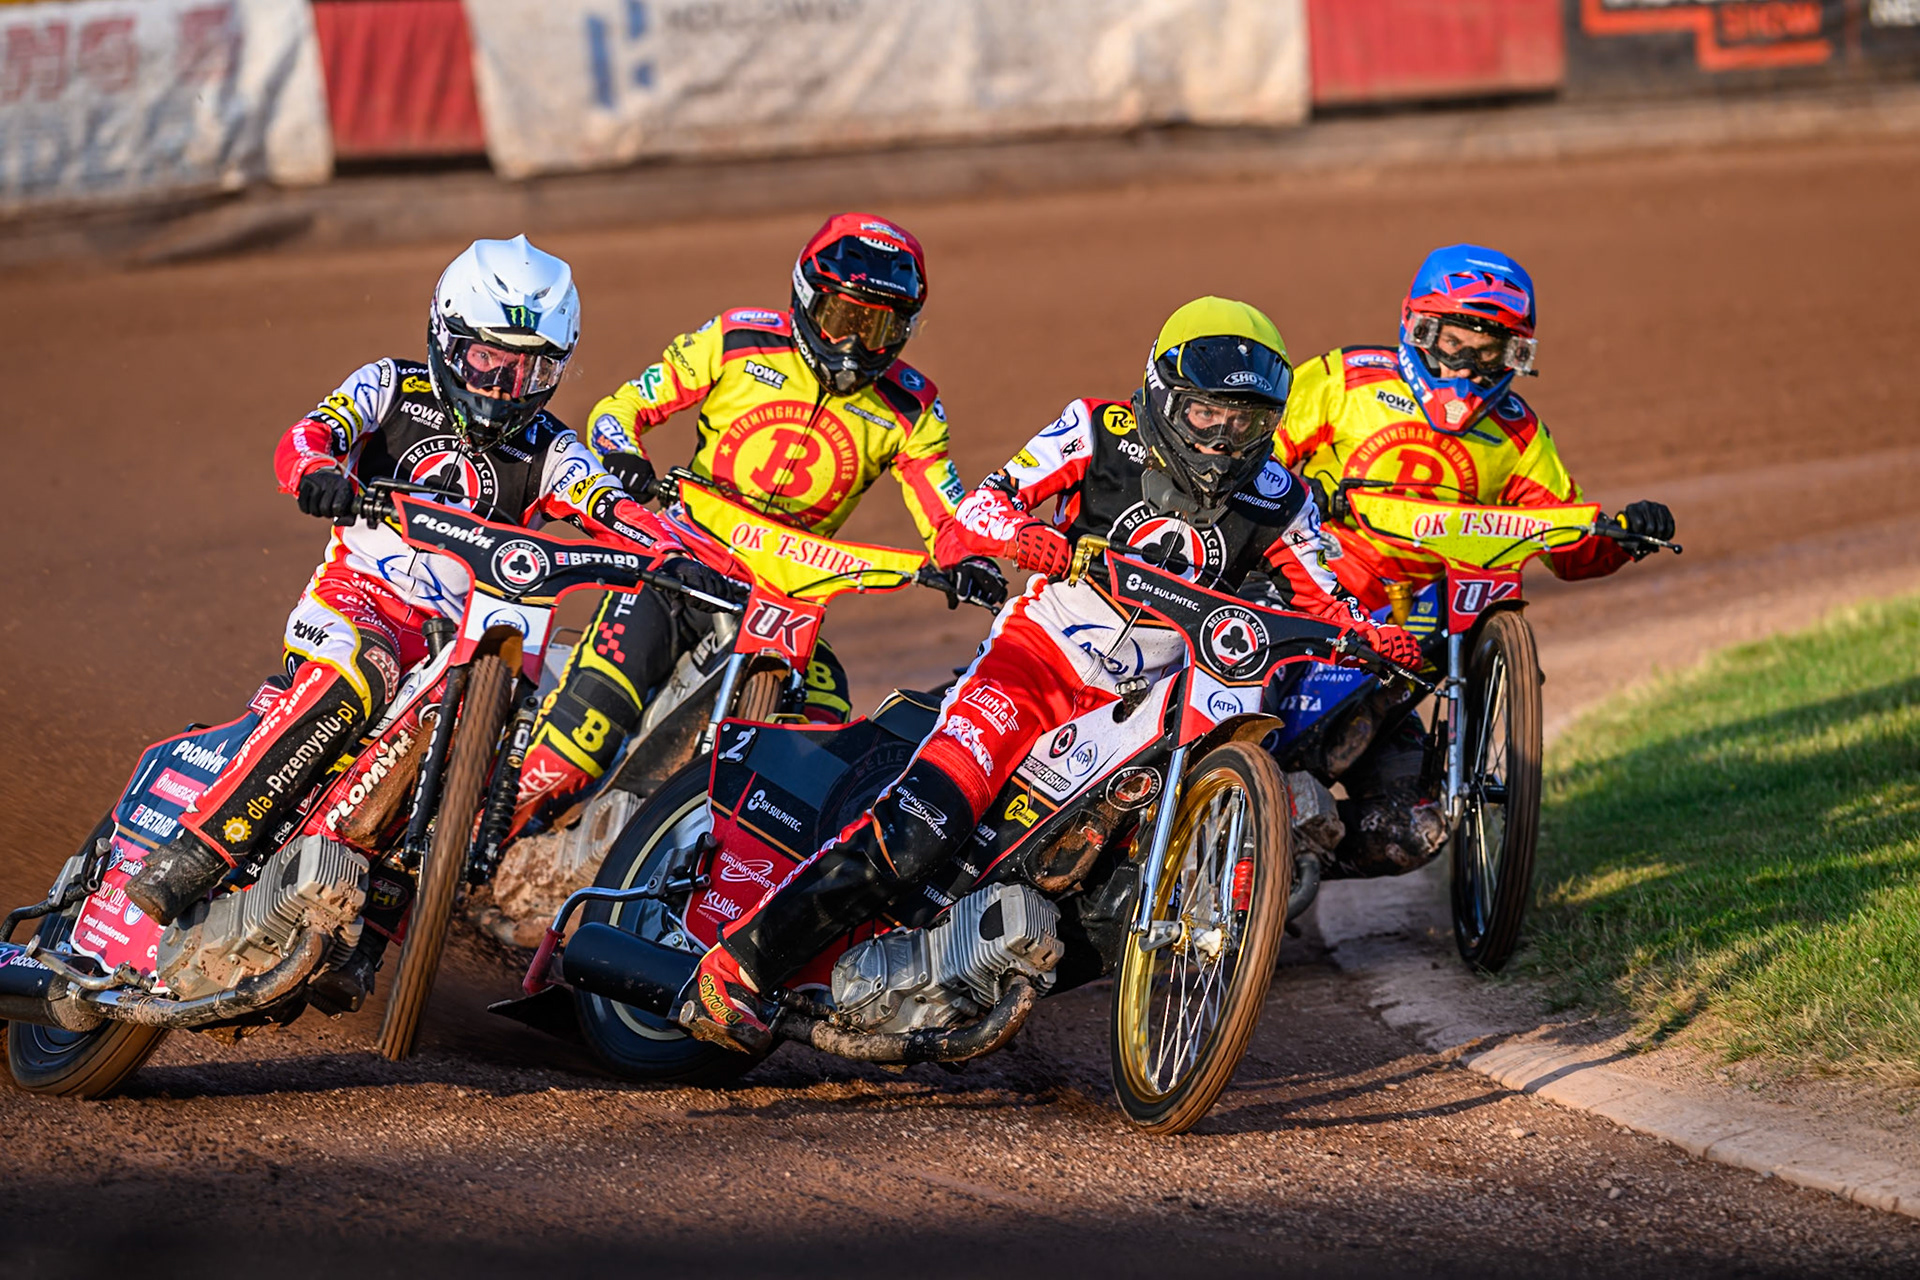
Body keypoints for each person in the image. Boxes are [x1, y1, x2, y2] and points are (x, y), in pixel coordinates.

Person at [679, 296, 1421, 1051]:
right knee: (921, 829)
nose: (1224, 439)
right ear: (1164, 395)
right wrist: (1029, 538)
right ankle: (740, 967)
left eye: (1246, 421)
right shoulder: (1097, 430)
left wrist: (1375, 638)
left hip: (1147, 701)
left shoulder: (1282, 498)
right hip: (1036, 664)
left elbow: (1326, 596)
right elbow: (980, 510)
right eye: (1207, 414)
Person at [122, 235, 731, 1011]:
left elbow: (607, 501)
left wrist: (674, 553)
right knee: (359, 680)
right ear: (446, 337)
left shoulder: (552, 448)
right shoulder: (389, 387)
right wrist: (317, 473)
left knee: (482, 772)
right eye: (488, 360)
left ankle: (368, 932)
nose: (506, 386)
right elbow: (310, 436)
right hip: (359, 602)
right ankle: (196, 852)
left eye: (531, 370)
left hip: (463, 639)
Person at [511, 211, 1003, 836]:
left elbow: (949, 516)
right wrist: (622, 454)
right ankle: (468, 843)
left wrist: (970, 557)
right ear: (805, 298)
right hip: (681, 562)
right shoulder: (736, 339)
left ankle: (758, 872)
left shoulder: (913, 407)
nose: (854, 347)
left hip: (790, 594)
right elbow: (622, 407)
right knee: (573, 749)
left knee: (826, 732)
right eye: (843, 319)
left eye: (878, 328)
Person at [1271, 243, 1676, 877]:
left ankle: (1290, 863)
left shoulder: (1519, 434)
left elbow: (1564, 541)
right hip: (1298, 601)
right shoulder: (1342, 380)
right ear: (1419, 328)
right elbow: (1252, 462)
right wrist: (1300, 494)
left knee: (1414, 832)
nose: (1467, 363)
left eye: (1489, 351)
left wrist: (1623, 538)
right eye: (1456, 341)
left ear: (1516, 355)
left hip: (1407, 641)